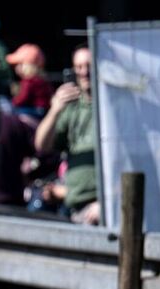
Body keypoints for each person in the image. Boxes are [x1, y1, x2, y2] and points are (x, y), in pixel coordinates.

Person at [35, 46, 99, 225]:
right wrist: (55, 110)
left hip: (101, 207)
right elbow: (42, 144)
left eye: (89, 65)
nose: (84, 72)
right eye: (79, 67)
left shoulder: (113, 107)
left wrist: (107, 203)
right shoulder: (73, 107)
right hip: (76, 206)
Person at [7, 44, 53, 121]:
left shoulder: (28, 81)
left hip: (33, 112)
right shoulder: (43, 80)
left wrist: (13, 102)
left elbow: (23, 98)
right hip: (44, 111)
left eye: (19, 64)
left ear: (28, 66)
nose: (15, 68)